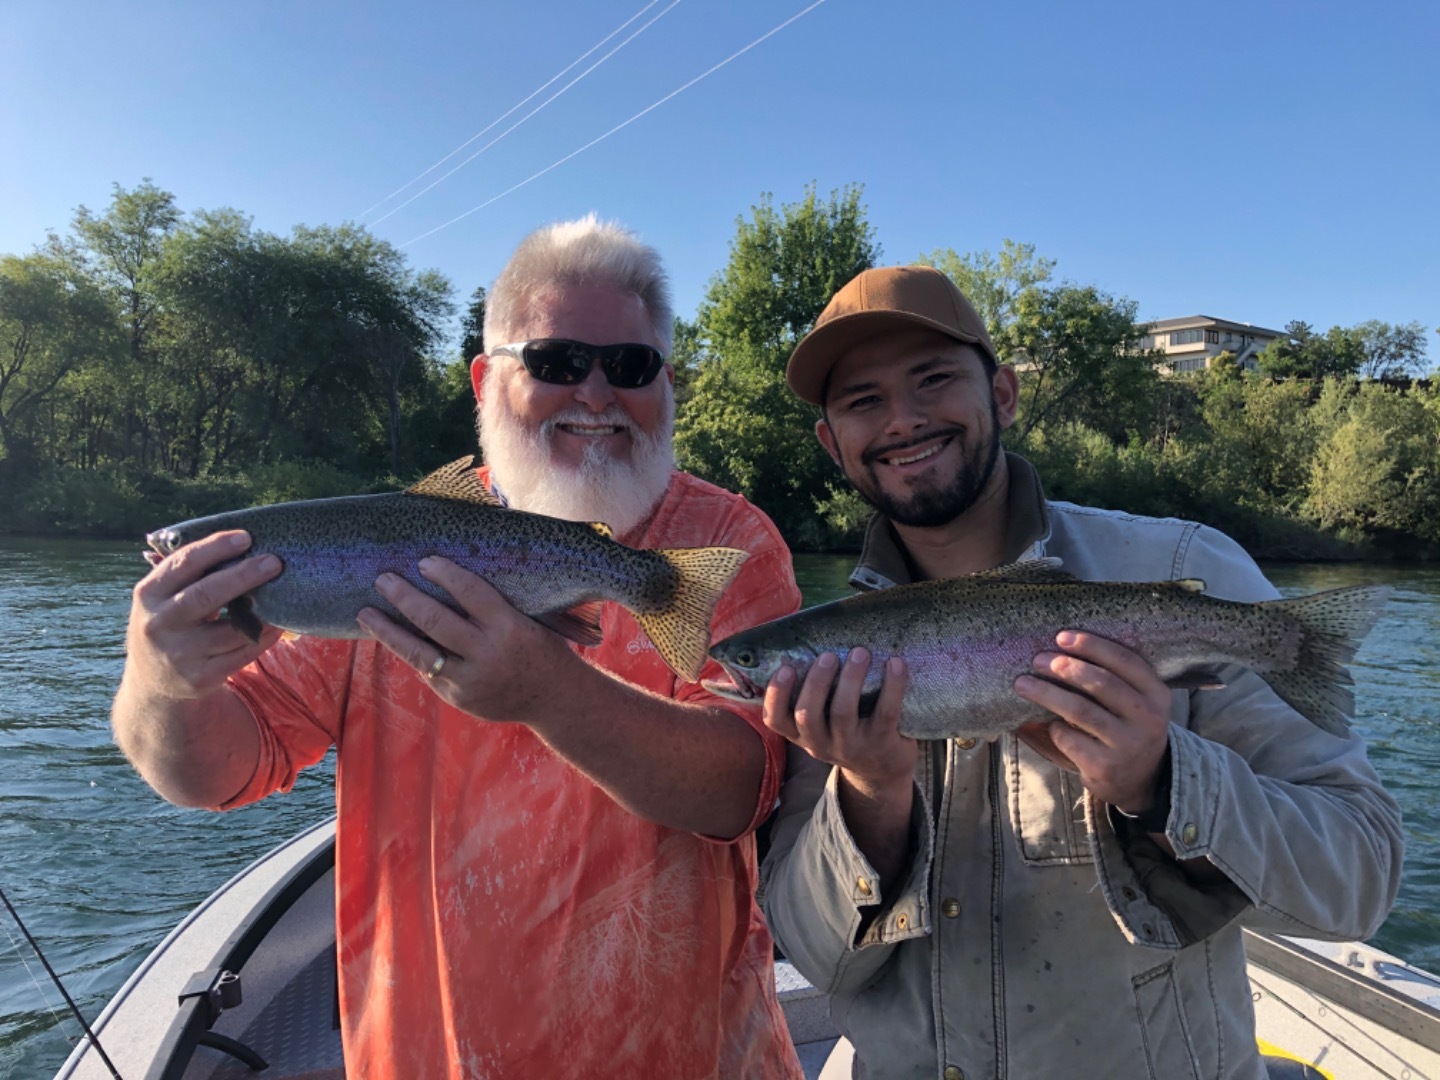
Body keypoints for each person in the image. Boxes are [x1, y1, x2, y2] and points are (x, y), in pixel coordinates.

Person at [113, 216, 805, 1079]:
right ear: (485, 379)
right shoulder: (377, 541)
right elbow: (215, 773)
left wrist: (549, 691)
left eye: (630, 366)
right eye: (555, 362)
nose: (596, 393)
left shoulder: (724, 542)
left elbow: (747, 788)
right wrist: (163, 677)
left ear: (668, 385)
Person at [757, 265, 1404, 1079]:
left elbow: (1362, 883)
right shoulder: (833, 662)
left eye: (933, 380)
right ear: (832, 441)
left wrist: (1164, 779)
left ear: (1004, 393)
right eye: (863, 401)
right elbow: (819, 962)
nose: (904, 420)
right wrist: (870, 797)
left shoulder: (1183, 565)